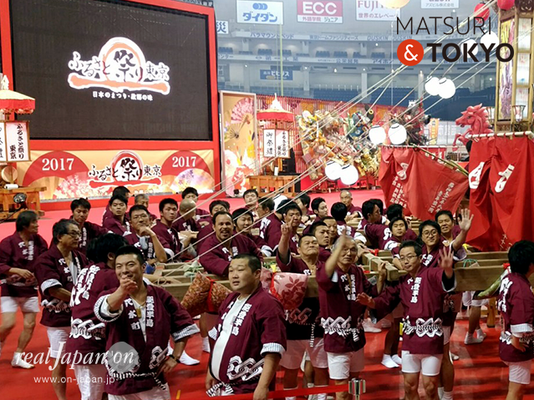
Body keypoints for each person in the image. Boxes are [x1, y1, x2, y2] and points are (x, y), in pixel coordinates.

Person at [95, 246, 199, 400]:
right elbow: (105, 311)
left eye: (130, 264)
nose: (124, 270)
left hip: (153, 378)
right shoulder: (109, 296)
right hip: (120, 380)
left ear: (143, 267)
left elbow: (183, 325)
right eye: (119, 266)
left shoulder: (161, 295)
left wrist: (175, 357)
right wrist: (122, 292)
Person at [357, 241, 456, 400]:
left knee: (430, 388)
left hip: (431, 338)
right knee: (409, 387)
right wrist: (371, 302)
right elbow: (386, 300)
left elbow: (446, 281)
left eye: (410, 257)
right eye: (402, 258)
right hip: (410, 338)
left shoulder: (431, 274)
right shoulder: (402, 281)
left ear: (420, 257)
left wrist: (448, 270)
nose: (406, 261)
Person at [206, 254, 286, 397]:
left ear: (256, 274)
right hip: (223, 383)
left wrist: (263, 386)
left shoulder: (268, 304)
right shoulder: (231, 298)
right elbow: (219, 337)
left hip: (248, 387)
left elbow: (273, 349)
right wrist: (211, 371)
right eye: (231, 271)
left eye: (240, 270)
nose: (234, 275)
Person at [316, 230, 381, 400]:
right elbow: (323, 279)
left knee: (354, 384)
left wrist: (380, 278)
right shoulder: (330, 271)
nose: (348, 253)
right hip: (337, 339)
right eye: (343, 249)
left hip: (356, 337)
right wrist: (336, 249)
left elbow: (370, 291)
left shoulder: (357, 271)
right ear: (335, 251)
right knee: (342, 390)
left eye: (352, 249)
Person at [419, 209, 473, 400]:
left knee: (444, 351)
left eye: (434, 232)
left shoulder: (444, 249)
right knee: (434, 353)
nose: (431, 235)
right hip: (423, 310)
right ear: (421, 236)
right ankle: (441, 392)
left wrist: (464, 232)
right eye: (427, 232)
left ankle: (448, 395)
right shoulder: (418, 253)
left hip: (443, 307)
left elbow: (455, 245)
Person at [66, 233, 127, 400]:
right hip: (91, 344)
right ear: (111, 255)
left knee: (100, 393)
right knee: (93, 396)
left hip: (81, 340)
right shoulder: (109, 275)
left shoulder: (87, 270)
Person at [35, 219, 88, 400]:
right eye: (73, 233)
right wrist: (82, 300)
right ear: (59, 236)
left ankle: (88, 395)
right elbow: (53, 290)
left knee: (85, 359)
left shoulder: (80, 257)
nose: (77, 237)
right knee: (60, 362)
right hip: (58, 319)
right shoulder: (45, 259)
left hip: (81, 317)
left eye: (78, 234)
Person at [277, 226, 329, 400]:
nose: (312, 245)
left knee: (321, 367)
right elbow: (283, 256)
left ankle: (320, 397)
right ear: (298, 249)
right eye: (307, 243)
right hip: (294, 327)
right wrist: (285, 236)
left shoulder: (326, 266)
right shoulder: (294, 264)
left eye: (315, 242)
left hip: (320, 326)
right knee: (290, 369)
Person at [0, 211, 48, 368]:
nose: (37, 225)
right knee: (8, 324)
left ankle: (18, 356)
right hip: (11, 289)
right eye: (34, 222)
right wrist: (16, 271)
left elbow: (44, 260)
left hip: (30, 289)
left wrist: (38, 275)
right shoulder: (7, 242)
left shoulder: (39, 241)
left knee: (30, 325)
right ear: (24, 225)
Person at [498, 240, 534, 400]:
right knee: (516, 391)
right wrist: (517, 341)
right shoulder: (522, 289)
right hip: (517, 344)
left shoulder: (508, 278)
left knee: (516, 390)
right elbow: (522, 316)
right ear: (531, 265)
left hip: (505, 337)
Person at [199, 211, 263, 276]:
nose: (224, 227)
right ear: (214, 227)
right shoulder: (208, 246)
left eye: (228, 224)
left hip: (246, 280)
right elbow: (212, 263)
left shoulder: (242, 239)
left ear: (233, 225)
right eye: (221, 224)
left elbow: (257, 254)